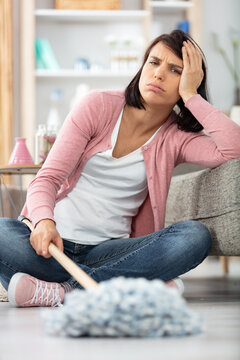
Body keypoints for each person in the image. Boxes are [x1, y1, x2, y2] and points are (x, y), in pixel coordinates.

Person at [1, 30, 240, 308]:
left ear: (189, 81)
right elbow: (49, 178)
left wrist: (191, 96)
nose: (159, 74)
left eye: (175, 70)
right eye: (153, 62)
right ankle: (132, 286)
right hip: (53, 246)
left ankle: (63, 292)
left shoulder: (176, 137)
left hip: (112, 251)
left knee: (193, 238)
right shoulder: (98, 105)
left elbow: (233, 148)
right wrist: (43, 221)